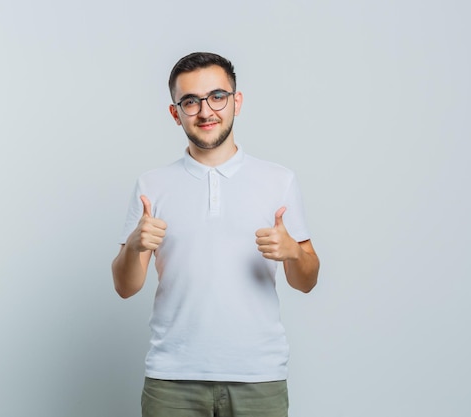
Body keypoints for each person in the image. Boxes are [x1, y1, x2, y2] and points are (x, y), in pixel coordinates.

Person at [111, 52, 320, 417]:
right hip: (171, 379)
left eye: (217, 97)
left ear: (236, 101)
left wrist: (293, 253)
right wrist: (133, 246)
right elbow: (125, 287)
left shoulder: (278, 180)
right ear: (175, 114)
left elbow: (307, 281)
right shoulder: (152, 185)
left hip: (260, 376)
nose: (206, 111)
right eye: (190, 101)